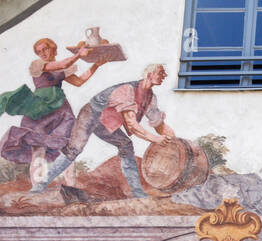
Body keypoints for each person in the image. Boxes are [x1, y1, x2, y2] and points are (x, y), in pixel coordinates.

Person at [31, 63, 175, 198]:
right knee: (74, 149)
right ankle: (40, 185)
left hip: (105, 122)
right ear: (149, 75)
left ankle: (138, 192)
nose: (165, 76)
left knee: (126, 145)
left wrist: (175, 141)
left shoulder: (151, 98)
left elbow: (160, 125)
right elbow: (132, 125)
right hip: (90, 114)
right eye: (161, 73)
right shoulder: (127, 90)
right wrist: (155, 139)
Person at [0, 38, 103, 185]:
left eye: (45, 49)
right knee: (38, 149)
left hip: (61, 110)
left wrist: (97, 65)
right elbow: (63, 63)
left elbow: (79, 81)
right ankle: (38, 188)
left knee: (67, 148)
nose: (42, 54)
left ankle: (70, 186)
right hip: (40, 108)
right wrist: (79, 55)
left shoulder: (62, 68)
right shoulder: (38, 64)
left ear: (53, 49)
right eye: (39, 51)